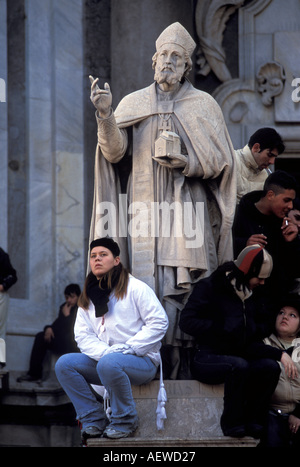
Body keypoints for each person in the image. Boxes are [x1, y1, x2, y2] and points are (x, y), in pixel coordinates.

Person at [89, 22, 236, 379]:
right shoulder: (132, 103)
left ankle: (187, 368)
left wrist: (188, 163)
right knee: (145, 285)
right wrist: (106, 117)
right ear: (153, 61)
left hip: (188, 213)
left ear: (187, 66)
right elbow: (114, 153)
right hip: (142, 213)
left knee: (185, 289)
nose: (168, 62)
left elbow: (224, 162)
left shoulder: (204, 105)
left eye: (177, 57)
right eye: (164, 56)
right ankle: (145, 366)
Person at [55, 237, 168, 442]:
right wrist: (107, 353)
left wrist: (130, 348)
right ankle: (93, 420)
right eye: (93, 256)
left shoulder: (136, 288)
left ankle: (125, 421)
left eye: (103, 255)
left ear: (116, 260)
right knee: (64, 364)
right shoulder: (87, 296)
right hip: (106, 361)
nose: (97, 259)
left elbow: (159, 322)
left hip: (141, 361)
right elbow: (82, 335)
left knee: (110, 363)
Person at [179, 244, 280, 438]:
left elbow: (264, 324)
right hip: (207, 357)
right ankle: (233, 424)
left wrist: (250, 331)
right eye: (259, 278)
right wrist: (220, 326)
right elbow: (186, 322)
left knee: (270, 367)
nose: (262, 283)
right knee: (238, 365)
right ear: (246, 272)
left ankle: (254, 421)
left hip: (242, 353)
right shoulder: (210, 287)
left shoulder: (253, 294)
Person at [232, 170, 300, 300]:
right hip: (240, 297)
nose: (290, 206)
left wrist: (293, 241)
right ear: (270, 195)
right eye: (286, 200)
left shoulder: (285, 224)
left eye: (292, 201)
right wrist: (244, 244)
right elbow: (220, 250)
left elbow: (294, 270)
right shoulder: (238, 214)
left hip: (273, 302)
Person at [248, 295, 300, 447]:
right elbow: (250, 349)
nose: (285, 317)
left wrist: (298, 414)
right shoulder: (264, 343)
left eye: (292, 315)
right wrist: (279, 355)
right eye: (281, 313)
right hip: (271, 414)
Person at [17, 283, 81, 382]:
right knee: (40, 336)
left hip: (72, 344)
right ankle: (34, 374)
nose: (69, 300)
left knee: (68, 336)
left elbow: (73, 329)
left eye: (72, 297)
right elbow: (57, 324)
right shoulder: (65, 307)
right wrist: (48, 328)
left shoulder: (80, 308)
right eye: (67, 297)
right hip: (62, 341)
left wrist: (67, 315)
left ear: (78, 296)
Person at [235, 127, 285, 203]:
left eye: (274, 157)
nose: (272, 162)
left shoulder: (265, 176)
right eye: (269, 155)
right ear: (256, 147)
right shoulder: (231, 161)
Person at [0, 247, 17, 366]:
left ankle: (0, 361)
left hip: (0, 296)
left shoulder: (1, 255)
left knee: (0, 328)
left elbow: (12, 275)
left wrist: (3, 285)